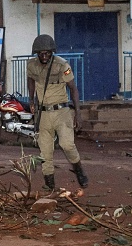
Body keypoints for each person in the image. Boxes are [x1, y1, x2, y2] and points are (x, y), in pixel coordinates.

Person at [27, 34, 89, 191]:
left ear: (52, 52)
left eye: (47, 53)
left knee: (67, 144)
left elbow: (73, 89)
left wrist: (78, 114)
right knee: (45, 153)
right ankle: (50, 185)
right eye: (41, 53)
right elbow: (30, 80)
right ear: (37, 53)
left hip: (61, 112)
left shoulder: (62, 65)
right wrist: (31, 100)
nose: (44, 56)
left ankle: (79, 169)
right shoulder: (32, 65)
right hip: (43, 114)